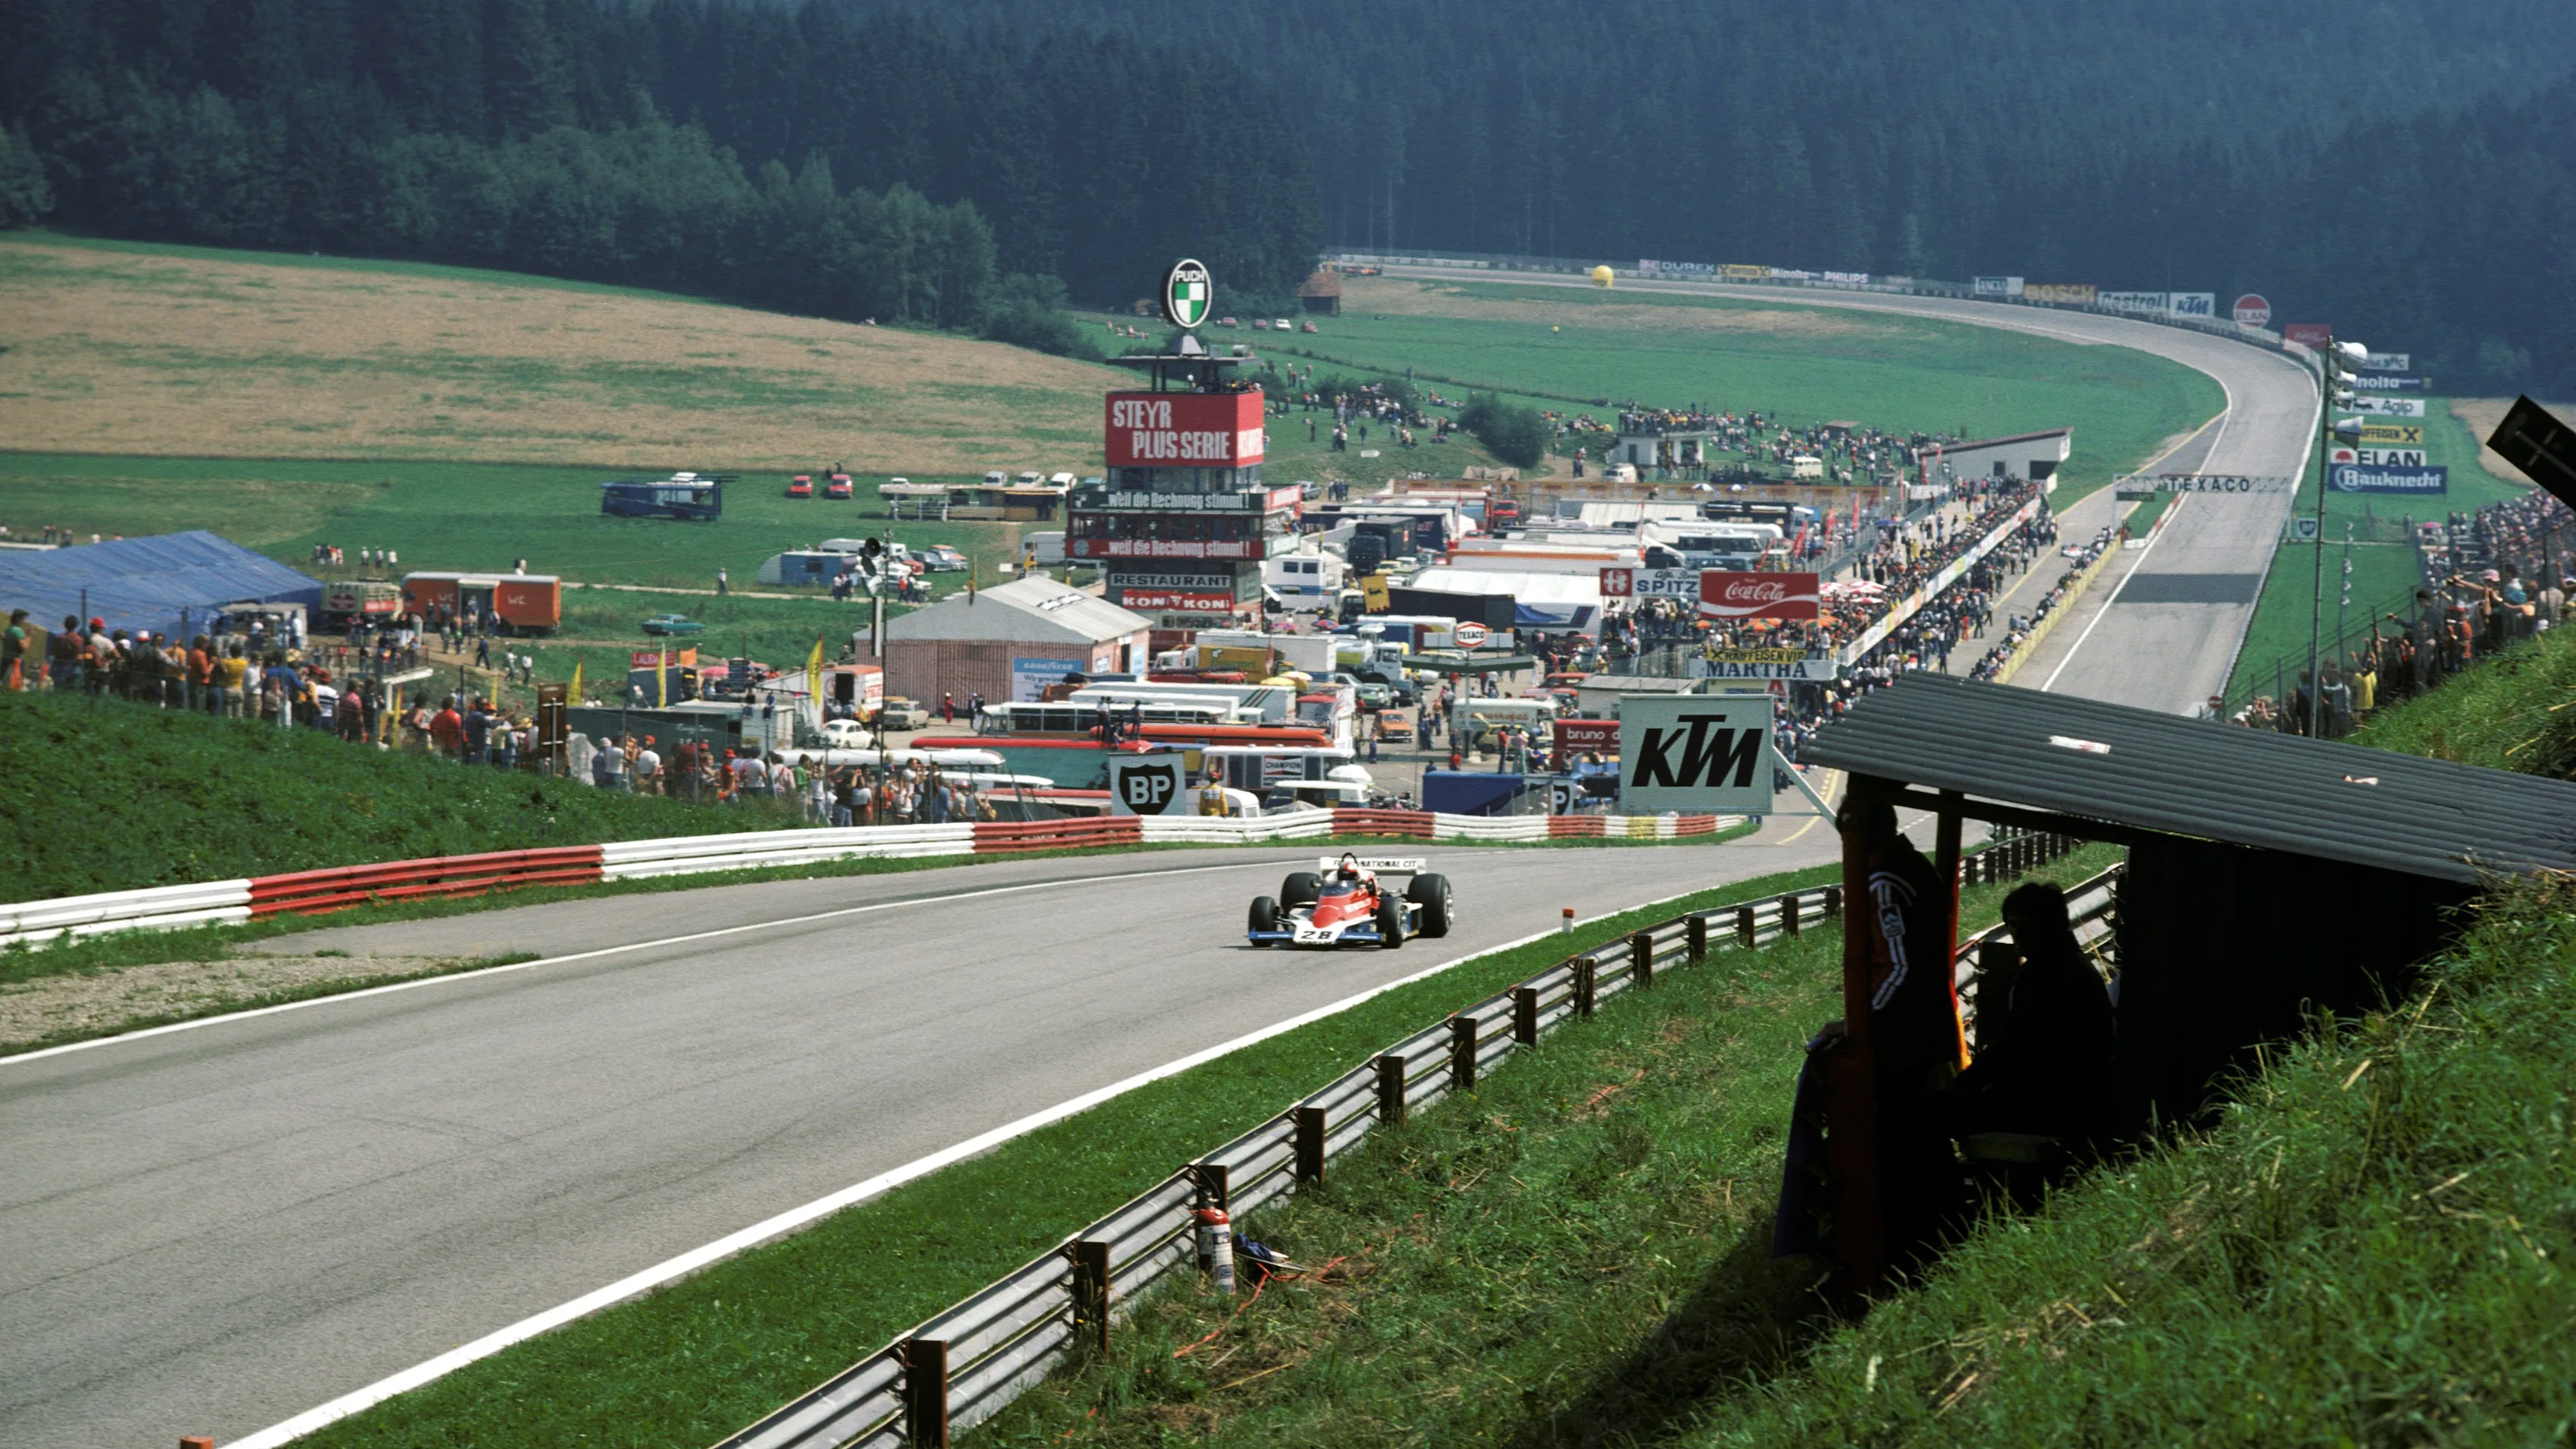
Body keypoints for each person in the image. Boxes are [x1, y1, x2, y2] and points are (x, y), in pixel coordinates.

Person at [1950, 881, 2117, 1149]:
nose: (2015, 934)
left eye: (2022, 925)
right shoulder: (2074, 966)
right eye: (2011, 925)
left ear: (2047, 925)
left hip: (2052, 1104)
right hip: (2080, 1099)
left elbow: (2011, 1048)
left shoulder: (2044, 976)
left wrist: (1961, 1086)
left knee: (1939, 1115)